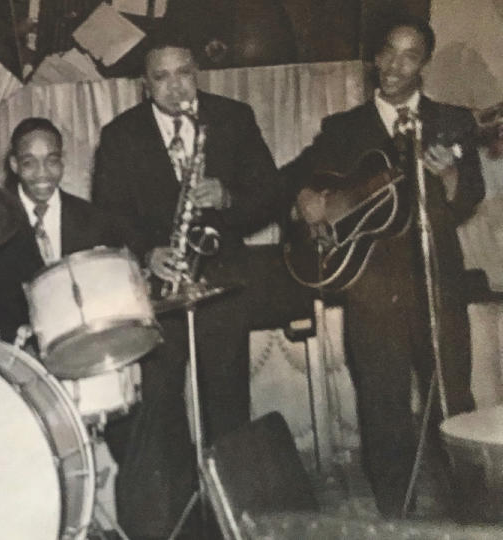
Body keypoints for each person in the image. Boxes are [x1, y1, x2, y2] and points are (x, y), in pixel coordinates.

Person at [282, 15, 484, 517]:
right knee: (381, 407)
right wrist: (306, 197)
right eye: (388, 52)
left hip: (437, 282)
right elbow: (297, 183)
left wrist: (453, 174)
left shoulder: (454, 122)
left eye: (410, 55)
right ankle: (396, 514)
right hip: (370, 290)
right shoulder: (342, 128)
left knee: (453, 399)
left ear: (425, 65)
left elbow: (467, 200)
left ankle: (472, 513)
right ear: (375, 57)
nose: (396, 65)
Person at [91, 35, 283, 538]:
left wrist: (228, 196)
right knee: (162, 410)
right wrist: (147, 252)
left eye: (184, 73)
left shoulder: (232, 118)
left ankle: (233, 520)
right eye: (162, 77)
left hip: (222, 283)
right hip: (158, 290)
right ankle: (182, 523)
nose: (176, 87)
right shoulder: (119, 135)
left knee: (228, 406)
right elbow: (107, 216)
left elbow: (270, 196)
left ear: (196, 70)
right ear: (144, 84)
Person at [0, 117, 132, 341]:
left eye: (51, 161)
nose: (42, 173)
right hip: (15, 355)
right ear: (14, 165)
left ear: (62, 161)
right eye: (29, 163)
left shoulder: (93, 220)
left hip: (82, 347)